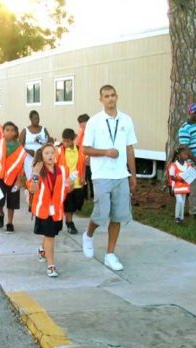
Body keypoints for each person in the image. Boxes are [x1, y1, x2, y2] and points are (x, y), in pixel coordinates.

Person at [81, 84, 137, 271]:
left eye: (113, 95)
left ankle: (110, 254)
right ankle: (88, 235)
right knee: (101, 213)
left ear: (117, 97)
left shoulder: (126, 120)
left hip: (121, 175)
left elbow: (129, 148)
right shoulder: (94, 122)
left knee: (118, 216)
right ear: (101, 99)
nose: (110, 98)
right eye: (106, 96)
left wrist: (133, 175)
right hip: (101, 174)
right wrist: (106, 152)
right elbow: (85, 149)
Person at [28, 143, 72, 277]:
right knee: (50, 236)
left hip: (57, 210)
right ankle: (51, 265)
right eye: (46, 153)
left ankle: (42, 249)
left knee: (50, 234)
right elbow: (33, 190)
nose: (50, 156)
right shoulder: (38, 171)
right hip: (43, 209)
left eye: (52, 153)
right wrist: (35, 174)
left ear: (56, 154)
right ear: (42, 156)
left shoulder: (63, 170)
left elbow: (68, 188)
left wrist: (70, 184)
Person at [0, 122, 27, 233]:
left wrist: (19, 181)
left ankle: (10, 223)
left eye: (12, 130)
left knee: (12, 201)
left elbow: (21, 166)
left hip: (14, 178)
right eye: (7, 130)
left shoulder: (20, 148)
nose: (9, 132)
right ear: (3, 131)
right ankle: (0, 213)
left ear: (15, 132)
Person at [56, 128, 86, 235]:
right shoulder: (59, 151)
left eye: (68, 141)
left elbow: (83, 165)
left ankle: (69, 219)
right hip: (66, 184)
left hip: (78, 183)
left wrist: (83, 177)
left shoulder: (79, 150)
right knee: (68, 205)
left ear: (73, 139)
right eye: (64, 141)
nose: (66, 143)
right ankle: (70, 223)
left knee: (78, 203)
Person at [19, 110, 53, 180]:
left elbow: (49, 143)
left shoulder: (43, 129)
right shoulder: (25, 131)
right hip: (29, 158)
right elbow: (20, 146)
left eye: (38, 118)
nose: (37, 120)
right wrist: (28, 151)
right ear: (30, 119)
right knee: (32, 177)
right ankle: (32, 190)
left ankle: (40, 190)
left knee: (42, 177)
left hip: (42, 157)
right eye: (35, 118)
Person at [168, 146, 192, 223]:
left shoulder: (188, 165)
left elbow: (190, 175)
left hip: (184, 187)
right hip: (176, 187)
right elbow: (171, 177)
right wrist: (179, 179)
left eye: (187, 154)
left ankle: (181, 217)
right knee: (180, 201)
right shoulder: (173, 165)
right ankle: (177, 217)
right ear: (179, 156)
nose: (186, 156)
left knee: (183, 201)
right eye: (184, 154)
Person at [77, 113, 93, 199]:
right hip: (82, 157)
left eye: (81, 122)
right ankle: (85, 195)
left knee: (90, 177)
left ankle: (93, 194)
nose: (80, 124)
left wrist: (89, 156)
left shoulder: (91, 131)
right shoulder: (81, 131)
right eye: (79, 123)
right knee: (84, 176)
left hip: (89, 157)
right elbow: (78, 143)